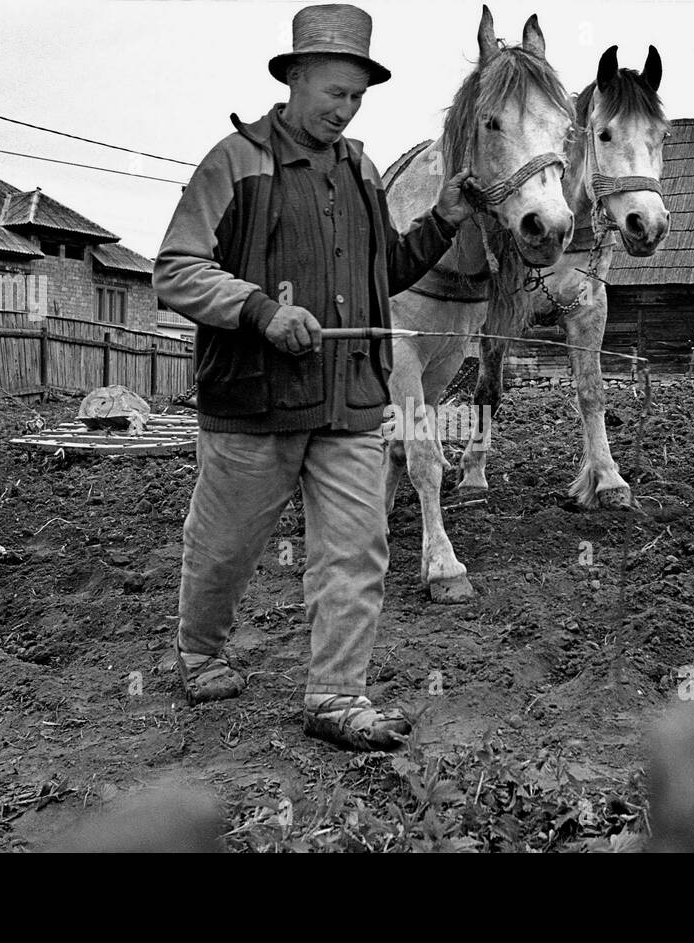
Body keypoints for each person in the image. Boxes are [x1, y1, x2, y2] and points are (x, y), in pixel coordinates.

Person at [153, 3, 474, 751]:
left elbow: (380, 274)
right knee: (226, 545)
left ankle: (337, 694)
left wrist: (443, 222)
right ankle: (200, 649)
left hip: (350, 402)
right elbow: (175, 270)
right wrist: (259, 310)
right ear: (294, 78)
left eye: (357, 96)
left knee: (358, 550)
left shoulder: (361, 168)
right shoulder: (234, 162)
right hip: (254, 404)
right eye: (334, 93)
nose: (346, 109)